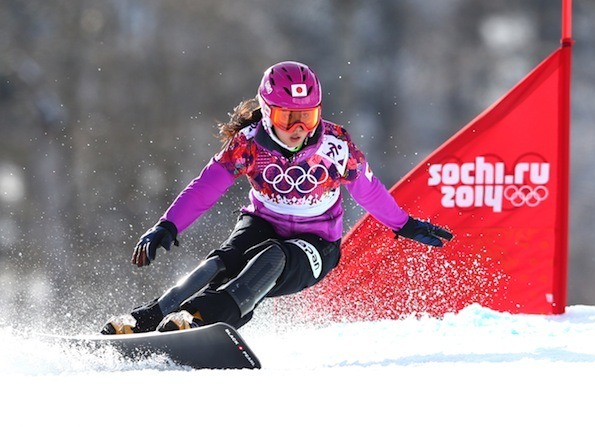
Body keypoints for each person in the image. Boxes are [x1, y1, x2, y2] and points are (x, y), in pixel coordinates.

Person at [101, 61, 453, 335]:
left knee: (273, 257)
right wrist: (168, 225)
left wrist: (403, 224)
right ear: (268, 113)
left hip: (317, 242)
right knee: (220, 263)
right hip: (261, 222)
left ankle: (201, 318)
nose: (300, 129)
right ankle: (146, 319)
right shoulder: (248, 144)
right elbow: (205, 186)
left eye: (308, 117)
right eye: (289, 118)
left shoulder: (336, 146)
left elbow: (368, 190)